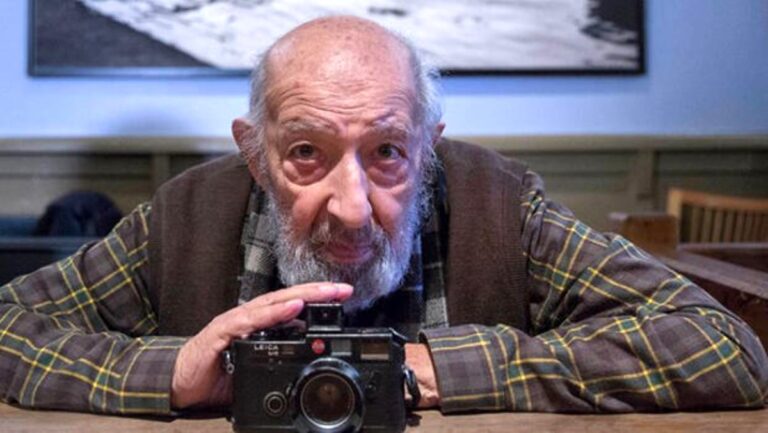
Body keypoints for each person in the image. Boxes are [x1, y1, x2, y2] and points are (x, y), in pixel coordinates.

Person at [1, 16, 766, 415]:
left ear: (428, 149)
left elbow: (719, 345)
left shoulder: (502, 207)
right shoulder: (184, 216)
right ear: (256, 155)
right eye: (306, 152)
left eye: (388, 152)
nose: (352, 205)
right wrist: (173, 372)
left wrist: (433, 367)